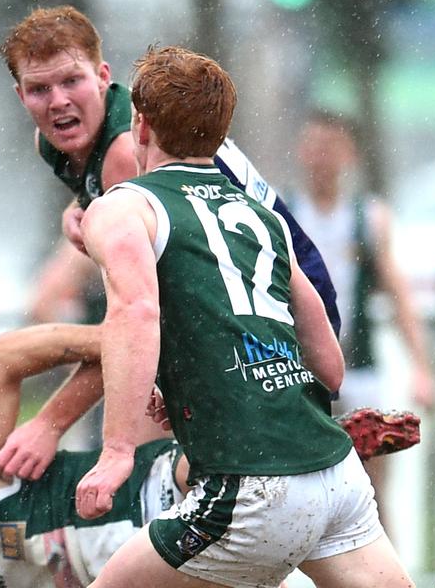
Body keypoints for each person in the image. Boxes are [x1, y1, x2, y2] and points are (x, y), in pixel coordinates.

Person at [73, 46, 411, 588]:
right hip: (334, 475)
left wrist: (116, 451)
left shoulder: (123, 206)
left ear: (140, 124)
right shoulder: (264, 216)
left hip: (250, 485)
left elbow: (136, 312)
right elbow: (329, 367)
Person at [0, 5, 341, 479]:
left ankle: (314, 432)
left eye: (71, 81)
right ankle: (312, 433)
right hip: (233, 280)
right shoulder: (55, 143)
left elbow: (135, 319)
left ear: (103, 76)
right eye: (39, 89)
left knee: (175, 460)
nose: (57, 102)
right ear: (19, 95)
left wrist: (50, 425)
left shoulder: (123, 152)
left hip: (282, 284)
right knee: (178, 445)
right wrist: (78, 211)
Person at [0, 321, 420, 588]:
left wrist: (54, 416)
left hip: (166, 489)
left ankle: (285, 437)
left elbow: (6, 355)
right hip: (166, 569)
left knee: (209, 470)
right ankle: (299, 445)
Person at [289, 111, 435, 530]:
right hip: (297, 369)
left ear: (348, 154)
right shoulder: (281, 213)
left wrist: (422, 368)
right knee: (288, 484)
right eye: (314, 146)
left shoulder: (369, 218)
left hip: (359, 364)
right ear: (300, 152)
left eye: (330, 147)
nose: (321, 157)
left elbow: (398, 296)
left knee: (372, 487)